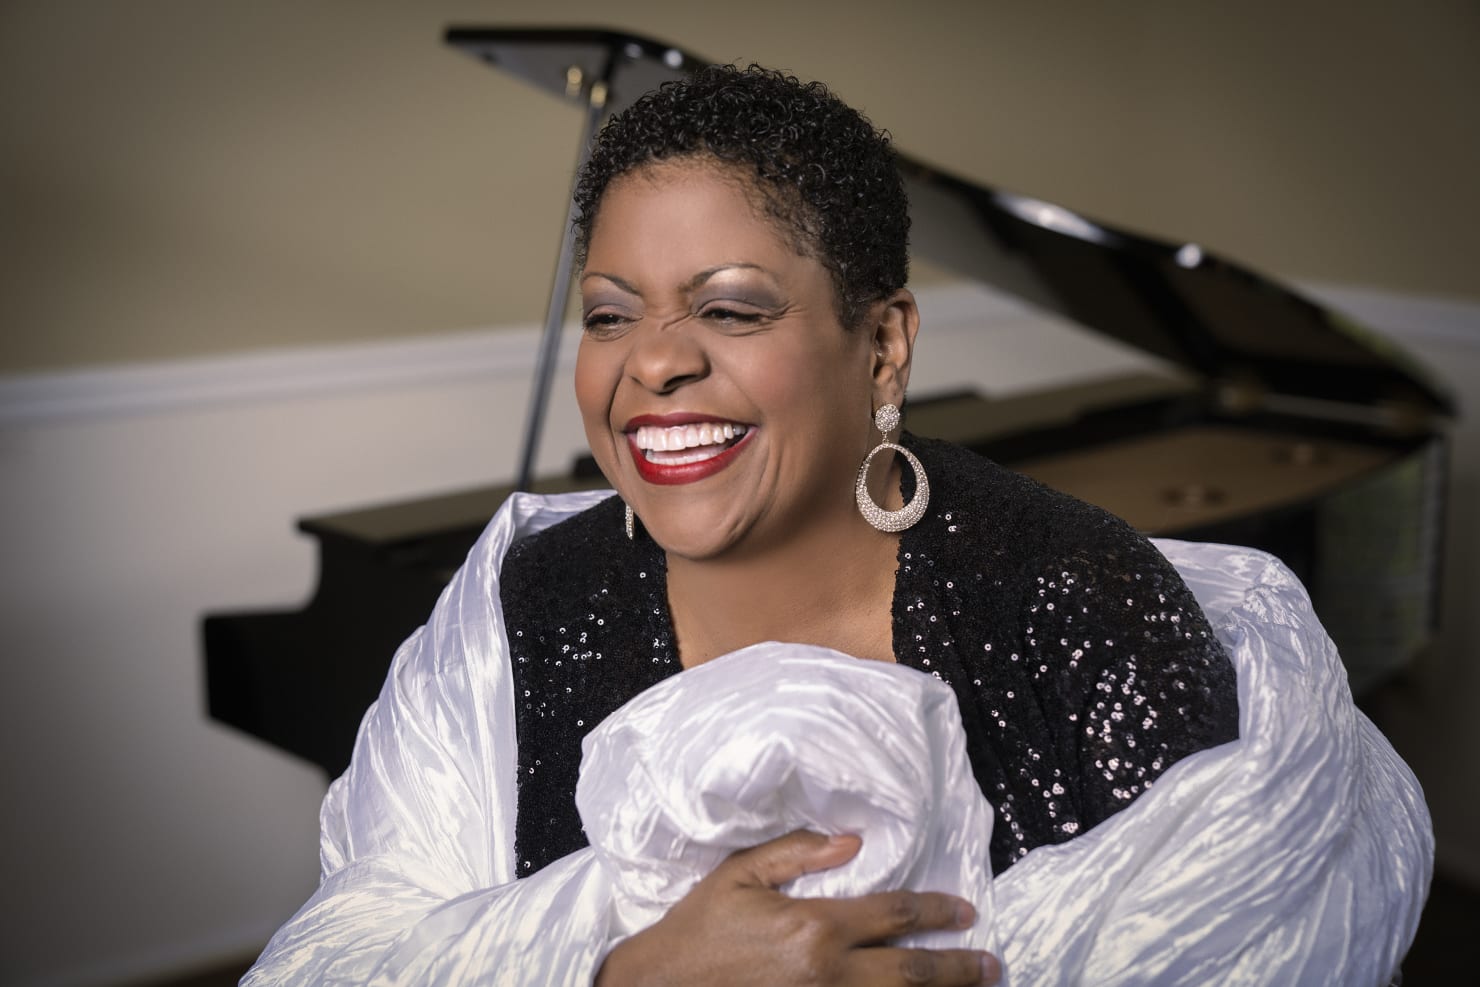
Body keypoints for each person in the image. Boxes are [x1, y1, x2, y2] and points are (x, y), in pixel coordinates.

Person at [245, 64, 1428, 986]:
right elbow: (339, 961)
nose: (654, 360)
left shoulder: (1077, 612)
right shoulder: (519, 612)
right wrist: (617, 968)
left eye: (729, 307)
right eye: (610, 315)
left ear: (885, 344)